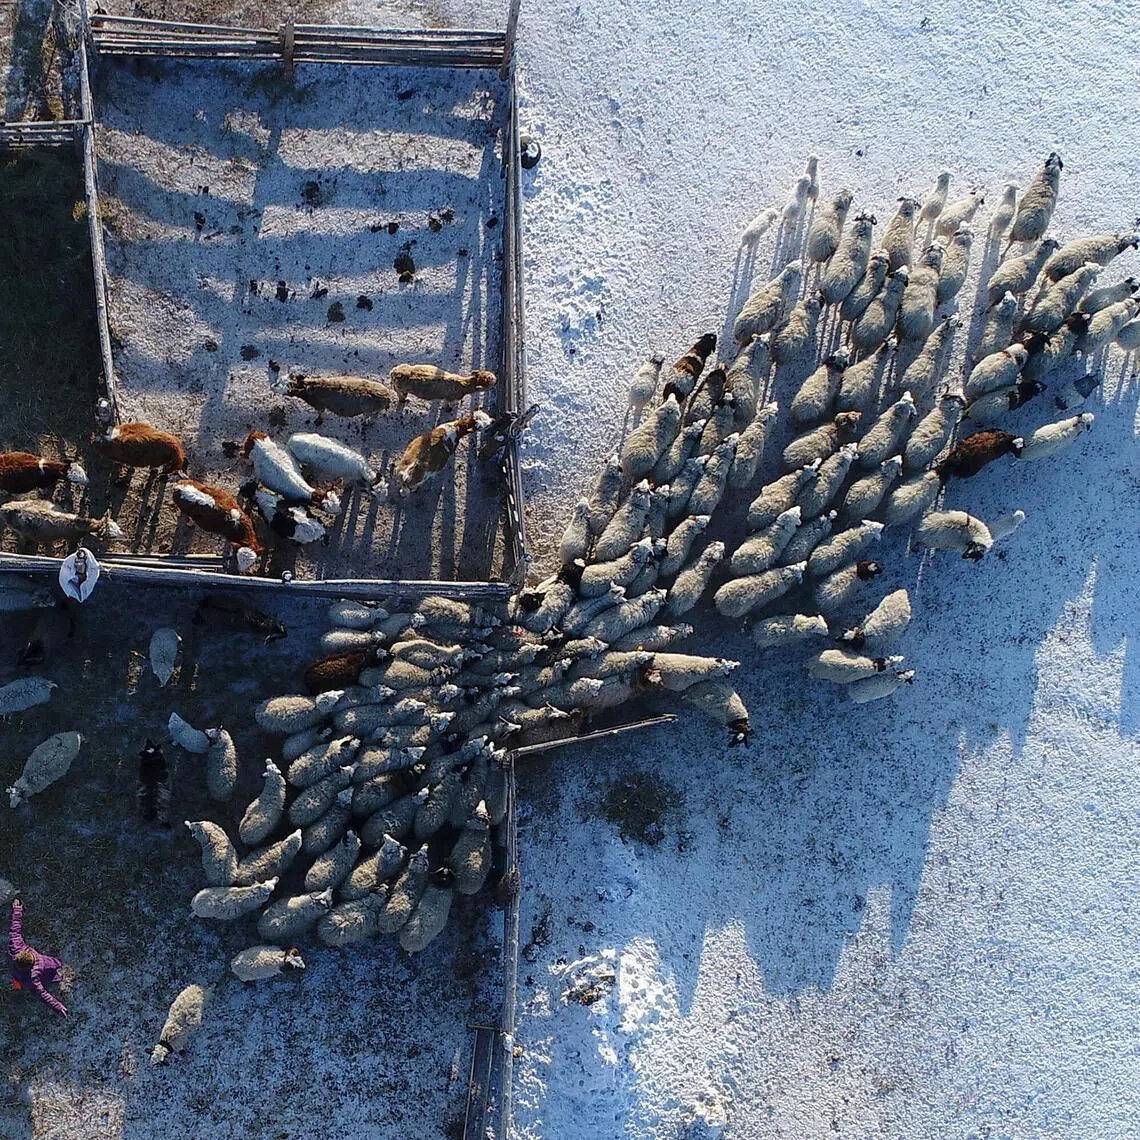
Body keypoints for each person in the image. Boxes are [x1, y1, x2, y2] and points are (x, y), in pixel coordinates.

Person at [8, 898, 67, 1017]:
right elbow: (43, 994)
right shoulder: (34, 977)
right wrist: (57, 1006)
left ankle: (18, 985)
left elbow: (15, 929)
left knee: (18, 982)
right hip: (42, 973)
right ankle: (55, 976)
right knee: (51, 971)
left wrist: (17, 909)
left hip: (16, 974)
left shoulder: (16, 947)